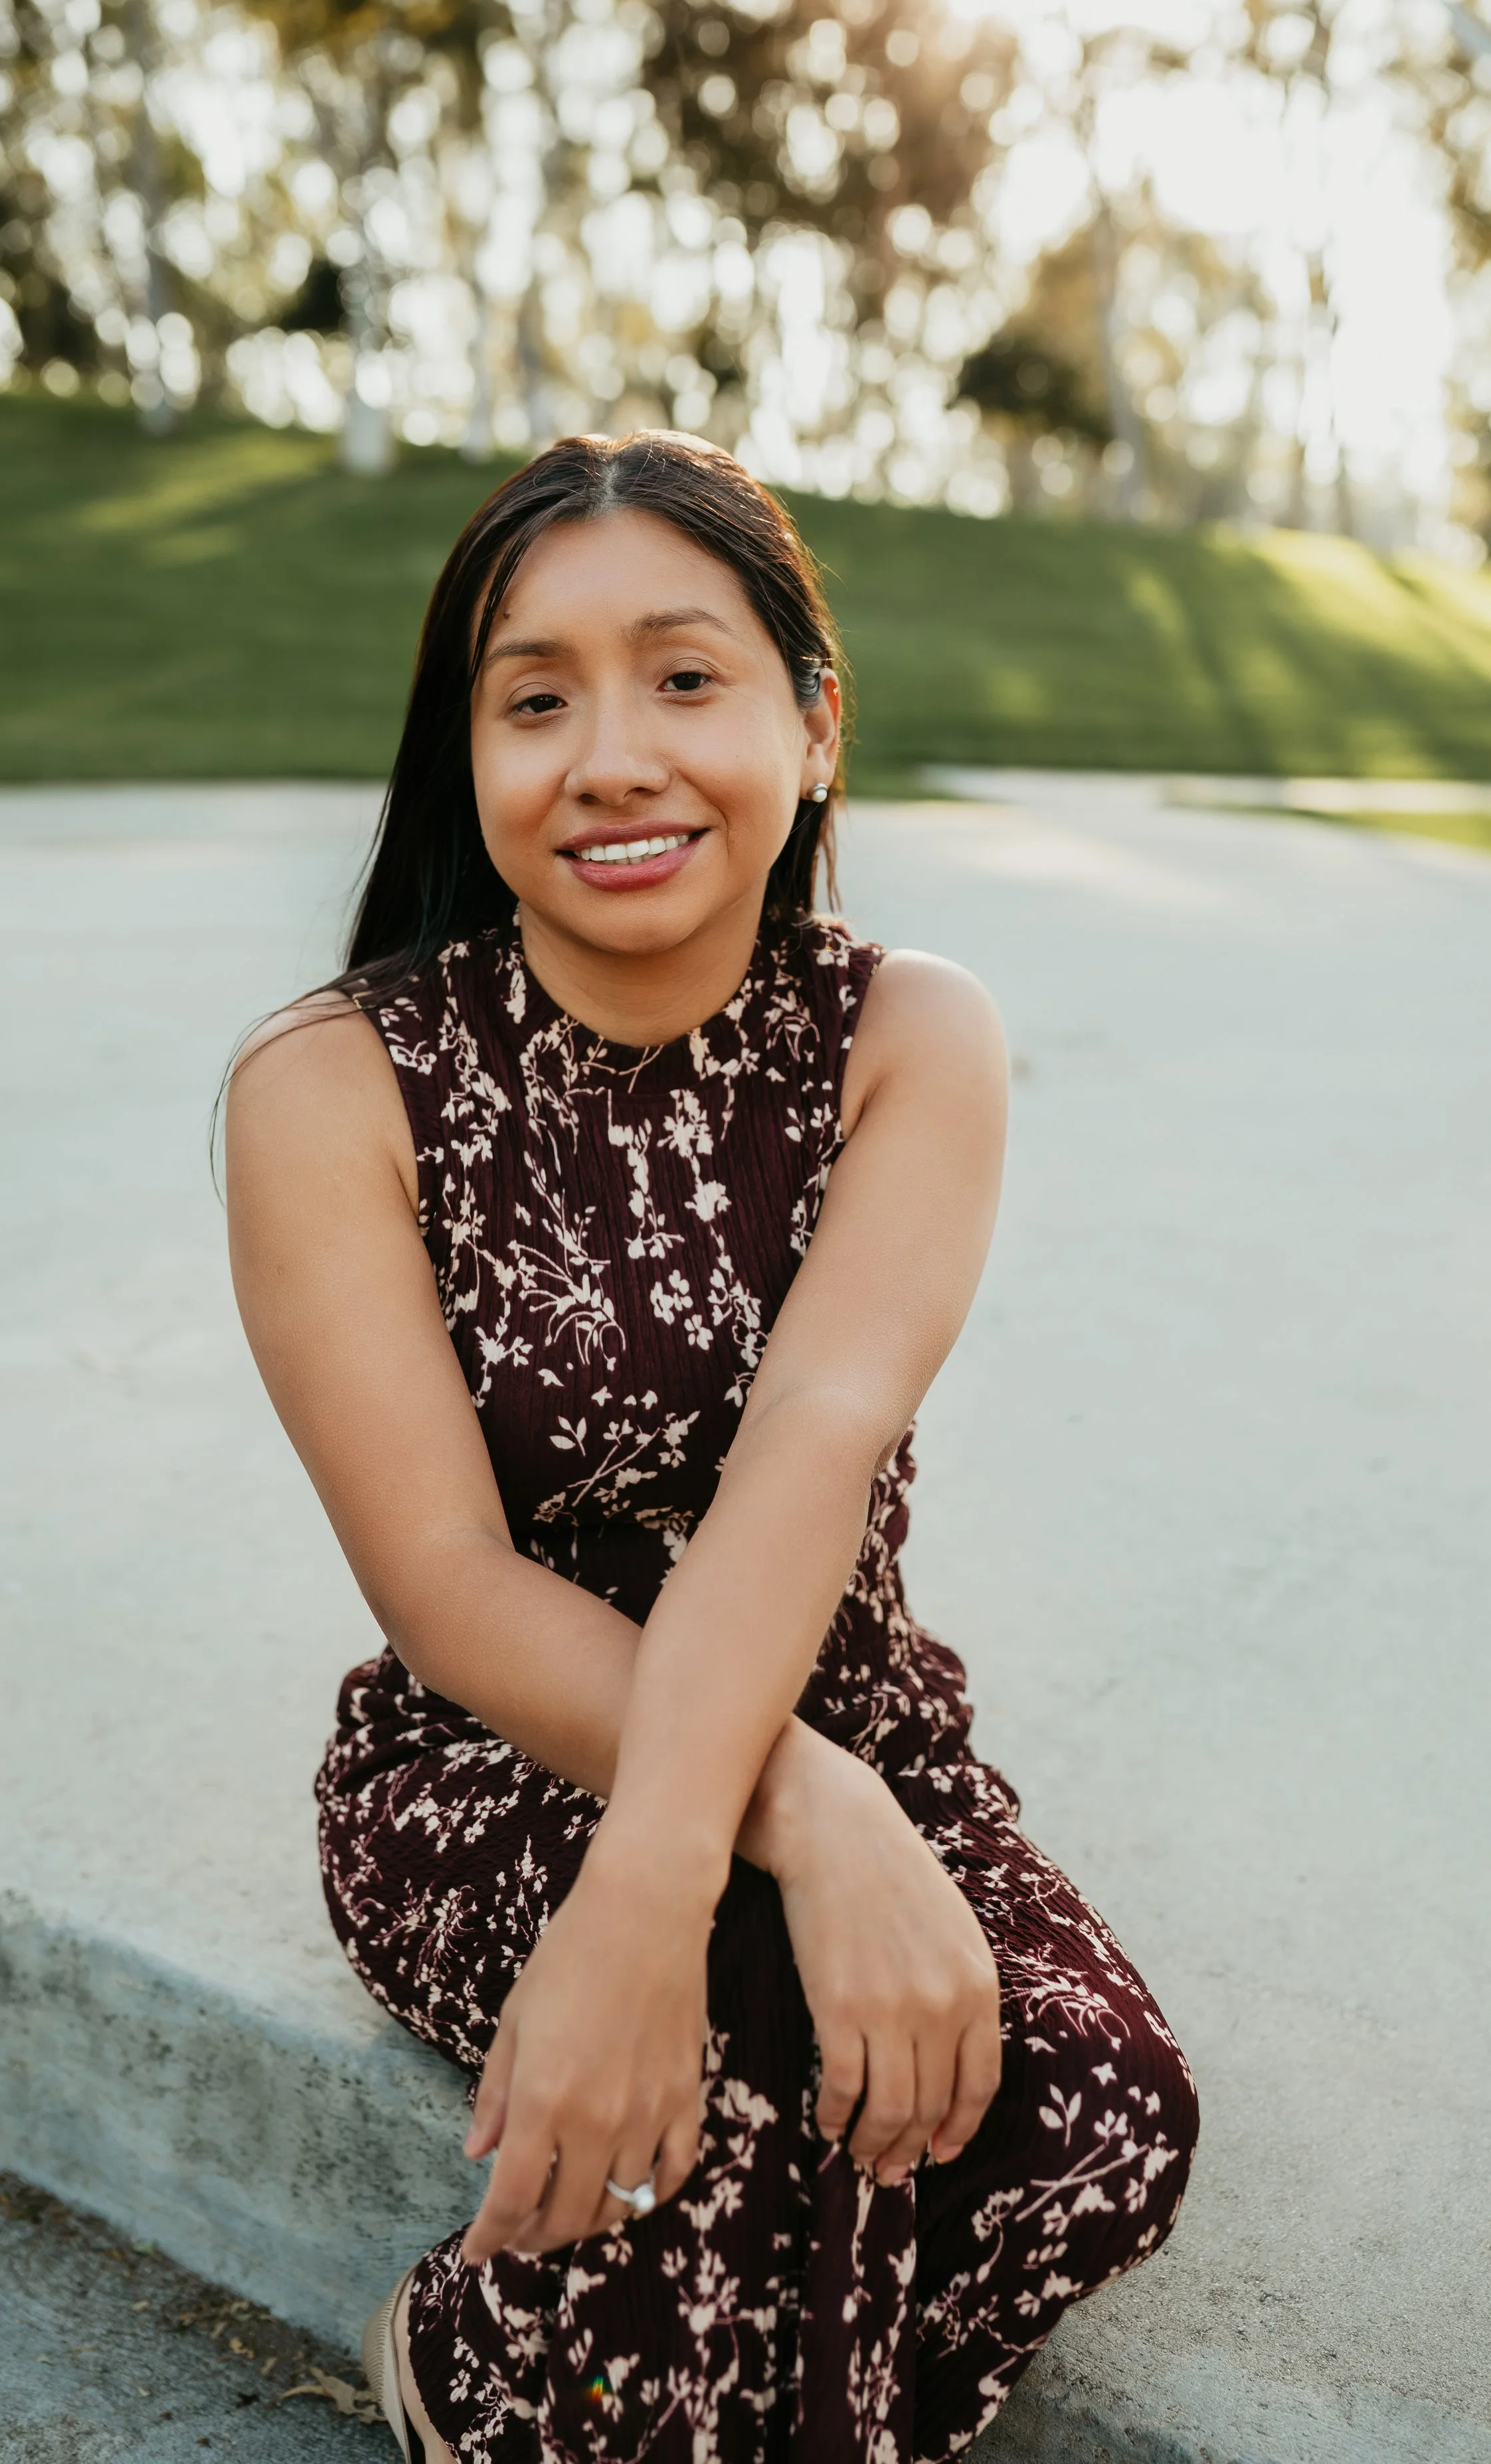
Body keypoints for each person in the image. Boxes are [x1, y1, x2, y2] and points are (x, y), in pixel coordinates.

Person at [224, 431, 1197, 2464]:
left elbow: (805, 1456)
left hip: (851, 1715)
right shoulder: (334, 1087)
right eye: (534, 696)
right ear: (465, 752)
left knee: (1098, 2109)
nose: (610, 755)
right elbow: (447, 1582)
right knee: (772, 2041)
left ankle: (486, 2367)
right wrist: (747, 1840)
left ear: (812, 723)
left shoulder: (907, 1036)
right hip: (496, 1754)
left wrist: (829, 1796)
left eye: (684, 676)